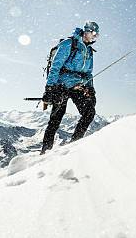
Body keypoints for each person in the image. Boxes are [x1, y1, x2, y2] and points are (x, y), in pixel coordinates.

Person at [40, 21, 99, 154]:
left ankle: (74, 144)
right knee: (56, 118)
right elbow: (56, 66)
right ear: (87, 31)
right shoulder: (68, 44)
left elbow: (88, 72)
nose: (95, 37)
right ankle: (45, 150)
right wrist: (49, 88)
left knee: (89, 112)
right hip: (61, 85)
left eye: (97, 35)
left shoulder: (89, 50)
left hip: (78, 86)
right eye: (94, 34)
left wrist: (90, 88)